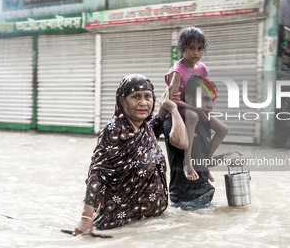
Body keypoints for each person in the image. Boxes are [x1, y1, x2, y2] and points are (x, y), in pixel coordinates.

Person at [73, 74, 185, 235]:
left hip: (151, 223)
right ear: (122, 100)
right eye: (136, 97)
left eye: (148, 97)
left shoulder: (146, 129)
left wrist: (170, 102)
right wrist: (86, 217)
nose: (143, 103)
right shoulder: (115, 130)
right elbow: (97, 173)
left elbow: (159, 122)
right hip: (120, 226)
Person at [163, 76, 241, 211]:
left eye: (213, 100)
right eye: (205, 99)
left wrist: (225, 156)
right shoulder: (174, 124)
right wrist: (174, 108)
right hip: (186, 201)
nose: (210, 105)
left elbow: (203, 161)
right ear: (189, 99)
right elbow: (176, 141)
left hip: (204, 195)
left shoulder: (204, 126)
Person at [162, 26, 226, 182]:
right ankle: (187, 161)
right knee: (192, 116)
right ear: (181, 48)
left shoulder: (203, 70)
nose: (196, 53)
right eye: (191, 48)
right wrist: (196, 109)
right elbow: (172, 101)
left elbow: (203, 92)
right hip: (181, 110)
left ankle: (207, 161)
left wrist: (203, 108)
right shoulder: (178, 71)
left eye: (199, 48)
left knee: (223, 129)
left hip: (196, 108)